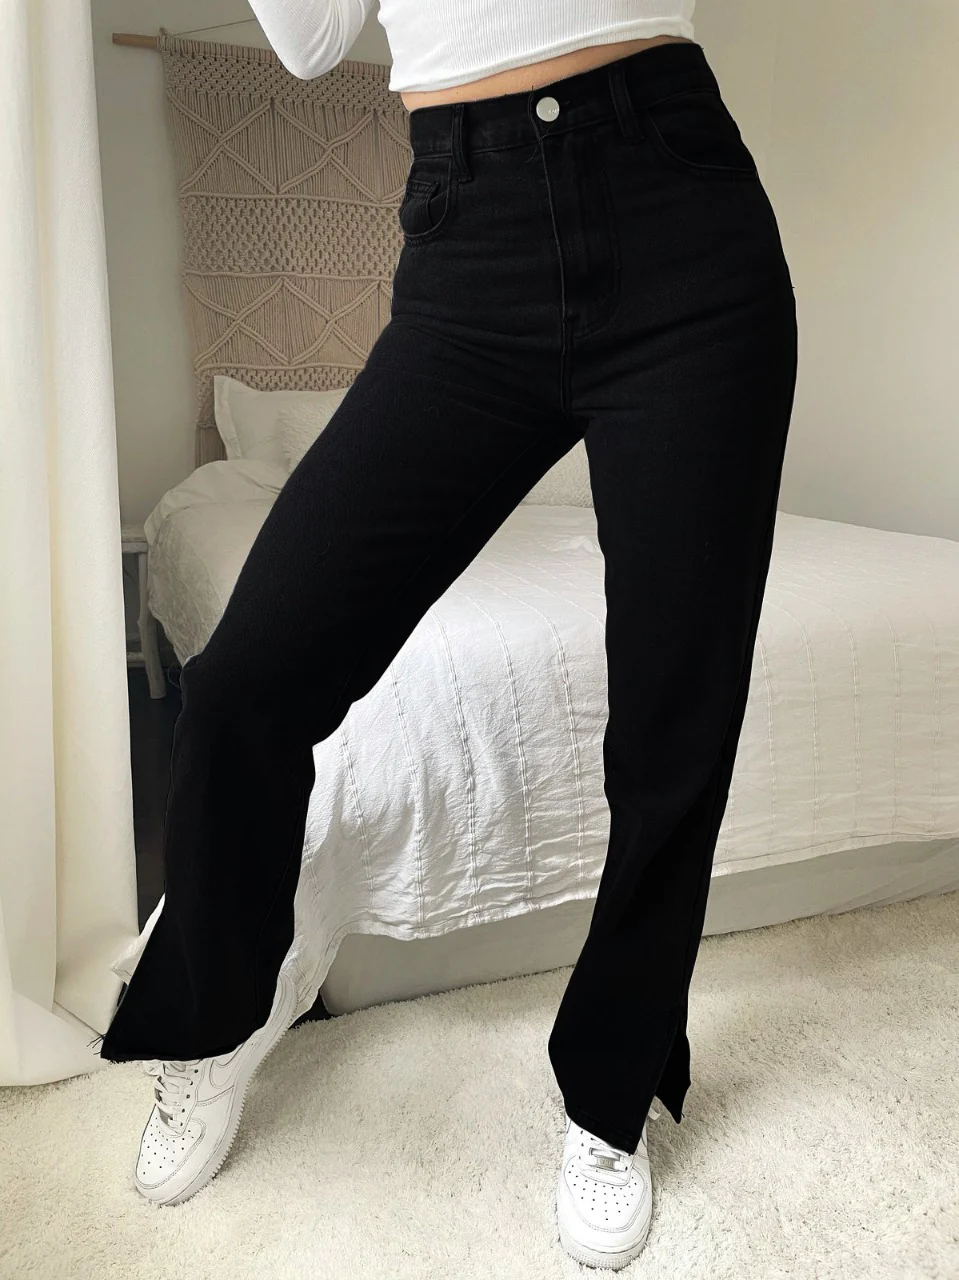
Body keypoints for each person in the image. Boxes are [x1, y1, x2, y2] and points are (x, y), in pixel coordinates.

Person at [98, 1, 798, 1269]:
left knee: (673, 718)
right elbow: (311, 40)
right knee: (249, 676)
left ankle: (610, 1092)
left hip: (678, 211)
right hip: (469, 245)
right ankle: (207, 1023)